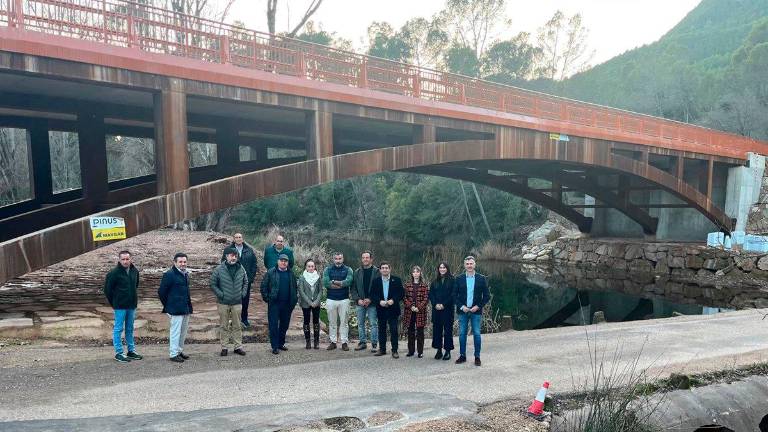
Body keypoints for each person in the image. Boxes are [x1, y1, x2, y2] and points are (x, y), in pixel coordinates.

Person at [104, 250, 142, 363]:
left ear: (131, 259)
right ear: (119, 260)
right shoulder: (113, 273)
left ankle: (131, 351)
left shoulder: (135, 271)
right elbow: (107, 290)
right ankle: (119, 353)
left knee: (130, 328)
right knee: (118, 329)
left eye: (127, 259)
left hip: (131, 305)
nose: (125, 261)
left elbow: (136, 285)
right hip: (120, 306)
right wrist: (115, 303)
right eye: (123, 259)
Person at [211, 247, 248, 357]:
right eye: (231, 255)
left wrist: (243, 293)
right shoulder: (219, 269)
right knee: (224, 326)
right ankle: (224, 347)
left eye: (235, 255)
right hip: (223, 303)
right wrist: (221, 294)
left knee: (237, 325)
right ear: (226, 256)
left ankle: (238, 347)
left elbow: (246, 282)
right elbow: (213, 283)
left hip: (237, 302)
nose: (234, 257)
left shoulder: (241, 268)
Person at [454, 256, 490, 366]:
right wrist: (461, 307)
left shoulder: (481, 278)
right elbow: (454, 296)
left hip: (476, 311)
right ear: (464, 265)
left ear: (475, 265)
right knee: (462, 334)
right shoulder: (459, 279)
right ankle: (462, 355)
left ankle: (477, 357)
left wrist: (478, 306)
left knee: (477, 334)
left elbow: (487, 296)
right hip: (463, 311)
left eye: (471, 263)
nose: (469, 266)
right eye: (467, 264)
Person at [158, 252, 193, 363]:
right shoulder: (169, 274)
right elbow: (161, 292)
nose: (183, 264)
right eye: (180, 262)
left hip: (185, 308)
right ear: (175, 262)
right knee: (175, 332)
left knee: (183, 332)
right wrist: (168, 306)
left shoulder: (185, 274)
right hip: (175, 309)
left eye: (184, 262)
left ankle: (179, 351)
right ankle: (173, 354)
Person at [260, 254, 298, 355]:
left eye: (285, 261)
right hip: (274, 304)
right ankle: (275, 346)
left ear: (288, 263)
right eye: (281, 260)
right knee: (273, 326)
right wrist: (267, 299)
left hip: (287, 304)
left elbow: (295, 288)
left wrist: (294, 300)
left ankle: (281, 343)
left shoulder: (291, 273)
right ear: (278, 261)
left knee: (284, 325)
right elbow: (263, 286)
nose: (283, 262)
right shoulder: (271, 272)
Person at [221, 233, 258, 328]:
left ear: (242, 239)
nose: (238, 239)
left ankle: (244, 319)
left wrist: (251, 277)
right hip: (232, 281)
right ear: (233, 239)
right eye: (236, 237)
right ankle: (232, 320)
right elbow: (223, 263)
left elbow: (254, 264)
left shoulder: (249, 250)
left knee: (245, 301)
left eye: (240, 237)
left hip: (246, 281)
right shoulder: (228, 250)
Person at [370, 262, 404, 359]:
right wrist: (379, 301)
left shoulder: (396, 280)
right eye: (382, 268)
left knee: (393, 330)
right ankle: (382, 349)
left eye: (386, 268)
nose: (384, 269)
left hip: (393, 309)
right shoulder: (376, 281)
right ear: (380, 270)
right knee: (382, 330)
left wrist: (393, 300)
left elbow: (401, 293)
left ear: (390, 269)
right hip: (381, 309)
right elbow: (372, 294)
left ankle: (395, 350)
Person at [323, 252, 353, 351]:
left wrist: (334, 282)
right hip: (331, 299)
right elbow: (326, 283)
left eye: (340, 258)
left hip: (344, 299)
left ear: (343, 259)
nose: (338, 260)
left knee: (344, 322)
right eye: (336, 258)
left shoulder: (348, 269)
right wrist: (341, 284)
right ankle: (333, 342)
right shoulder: (328, 269)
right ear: (333, 259)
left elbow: (348, 282)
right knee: (332, 322)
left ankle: (344, 342)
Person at [351, 251, 379, 352]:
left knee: (373, 323)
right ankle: (362, 342)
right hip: (360, 302)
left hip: (373, 302)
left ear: (371, 259)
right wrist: (358, 299)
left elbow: (379, 288)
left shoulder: (377, 272)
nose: (365, 259)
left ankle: (374, 344)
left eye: (367, 257)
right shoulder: (357, 272)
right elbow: (353, 288)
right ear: (361, 259)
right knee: (360, 323)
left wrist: (370, 299)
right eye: (363, 257)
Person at [429, 262, 455, 360]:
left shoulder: (452, 280)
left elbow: (453, 295)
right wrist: (435, 304)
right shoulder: (435, 281)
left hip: (447, 309)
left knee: (448, 331)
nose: (442, 269)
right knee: (437, 331)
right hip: (436, 310)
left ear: (447, 269)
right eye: (440, 267)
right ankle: (439, 350)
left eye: (444, 267)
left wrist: (444, 304)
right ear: (438, 269)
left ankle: (447, 351)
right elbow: (431, 294)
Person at [403, 265, 429, 358]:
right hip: (409, 312)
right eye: (414, 272)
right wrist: (411, 306)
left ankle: (420, 352)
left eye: (417, 271)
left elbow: (426, 299)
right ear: (412, 274)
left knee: (420, 332)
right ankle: (411, 351)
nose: (415, 273)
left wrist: (419, 307)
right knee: (410, 332)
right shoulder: (407, 285)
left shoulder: (424, 285)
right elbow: (404, 298)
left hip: (420, 312)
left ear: (420, 273)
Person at [298, 258, 323, 349]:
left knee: (316, 321)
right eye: (309, 266)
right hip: (306, 303)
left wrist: (316, 301)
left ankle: (316, 342)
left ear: (314, 267)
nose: (311, 268)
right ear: (306, 267)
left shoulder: (318, 277)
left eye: (312, 266)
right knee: (306, 321)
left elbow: (321, 290)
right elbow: (301, 291)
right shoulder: (302, 277)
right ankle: (308, 341)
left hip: (316, 303)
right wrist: (309, 302)